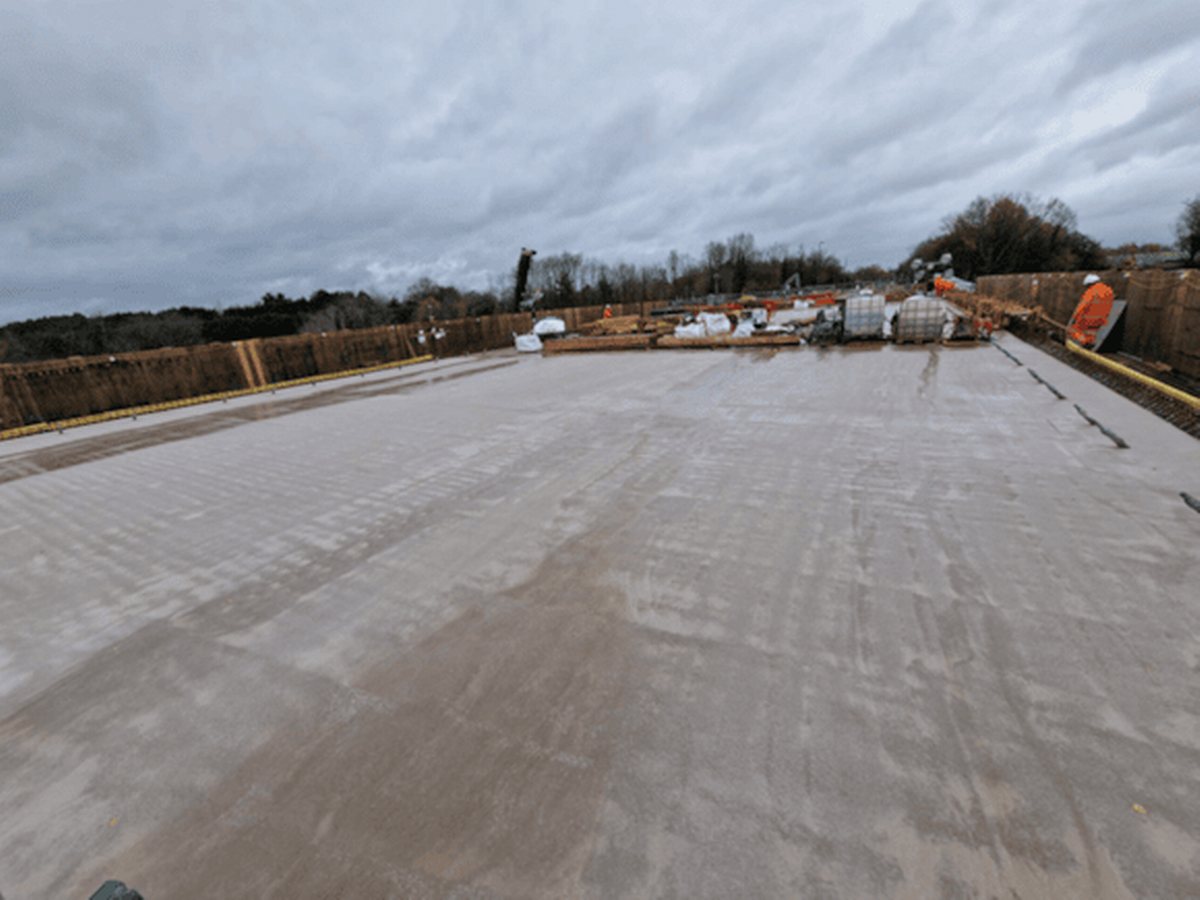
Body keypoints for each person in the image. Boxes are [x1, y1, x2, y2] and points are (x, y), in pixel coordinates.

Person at [1068, 274, 1114, 347]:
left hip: (1088, 318)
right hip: (1102, 319)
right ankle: (1089, 343)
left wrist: (1075, 317)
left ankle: (1084, 342)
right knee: (1091, 332)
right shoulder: (1109, 290)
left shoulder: (1091, 291)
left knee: (1073, 330)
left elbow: (1083, 305)